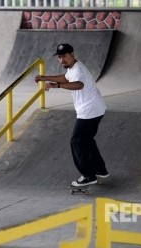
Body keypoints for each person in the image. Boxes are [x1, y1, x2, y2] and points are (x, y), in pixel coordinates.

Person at [35, 43, 109, 187]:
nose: (62, 60)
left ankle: (88, 176)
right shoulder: (74, 67)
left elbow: (78, 84)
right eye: (59, 57)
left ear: (72, 54)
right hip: (95, 109)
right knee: (87, 140)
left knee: (76, 142)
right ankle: (100, 169)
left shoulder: (79, 70)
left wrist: (56, 86)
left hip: (89, 111)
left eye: (65, 56)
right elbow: (66, 78)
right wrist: (45, 77)